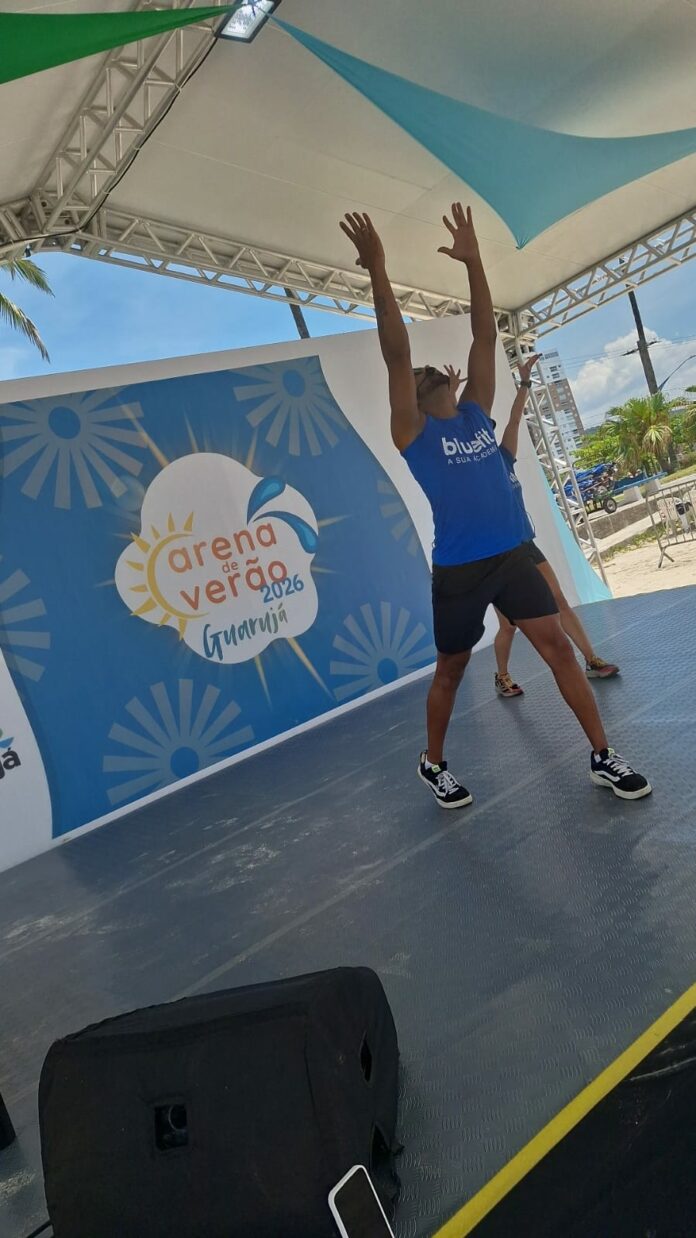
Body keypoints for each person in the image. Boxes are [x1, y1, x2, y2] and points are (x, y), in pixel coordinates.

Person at [339, 205, 651, 806]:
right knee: (451, 671)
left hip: (511, 556)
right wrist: (377, 266)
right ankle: (433, 763)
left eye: (431, 371)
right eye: (421, 376)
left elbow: (485, 336)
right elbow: (396, 352)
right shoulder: (413, 432)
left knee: (558, 649)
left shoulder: (476, 410)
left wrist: (474, 261)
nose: (427, 372)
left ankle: (602, 756)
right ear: (416, 398)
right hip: (459, 570)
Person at [487, 357, 620, 699]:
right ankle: (502, 675)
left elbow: (515, 419)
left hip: (525, 545)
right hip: (497, 556)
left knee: (559, 600)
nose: (487, 436)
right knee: (509, 626)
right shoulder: (471, 475)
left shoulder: (504, 456)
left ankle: (591, 660)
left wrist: (524, 383)